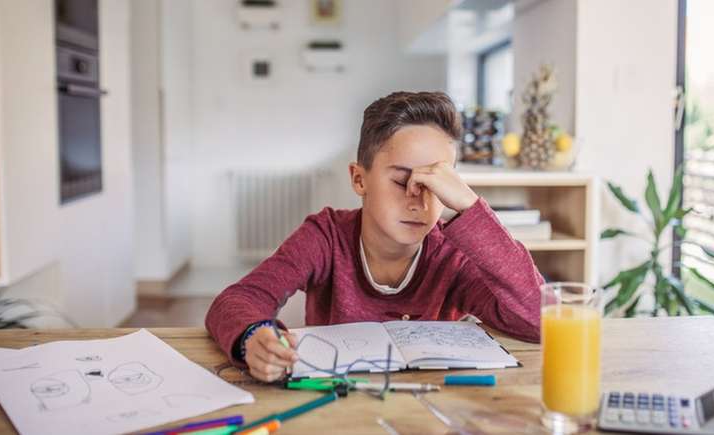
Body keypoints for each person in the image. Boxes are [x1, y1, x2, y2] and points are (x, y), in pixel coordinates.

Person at [206, 91, 544, 382]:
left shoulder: (451, 254)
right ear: (359, 179)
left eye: (435, 186)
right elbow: (236, 300)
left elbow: (540, 320)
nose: (419, 202)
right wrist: (253, 337)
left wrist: (470, 207)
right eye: (401, 182)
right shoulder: (325, 237)